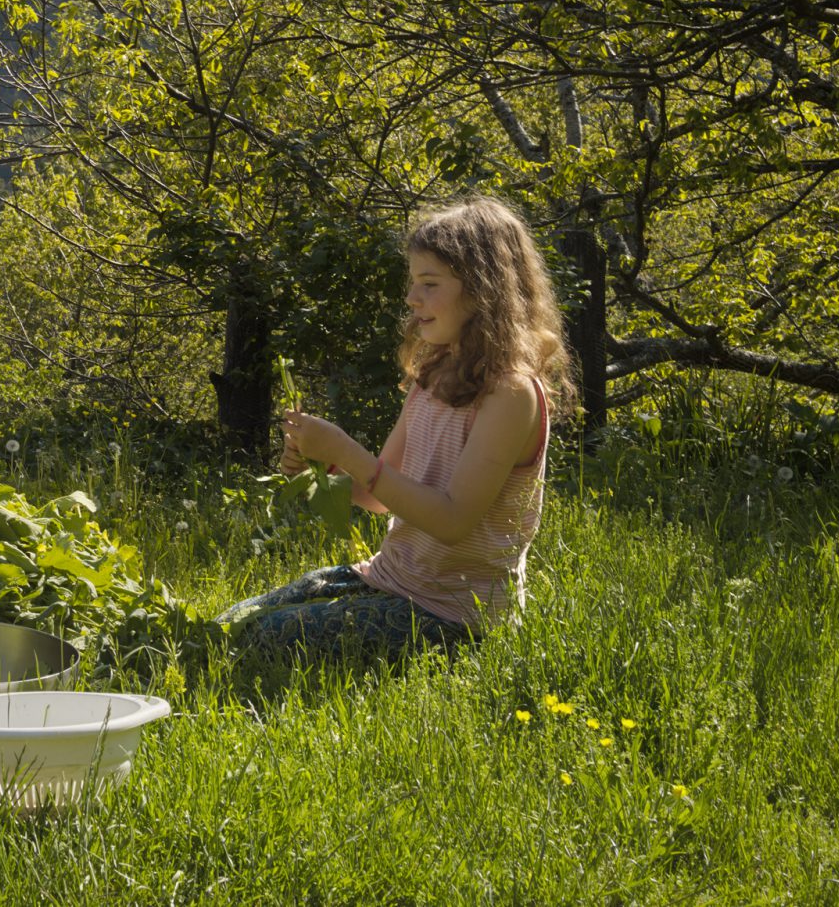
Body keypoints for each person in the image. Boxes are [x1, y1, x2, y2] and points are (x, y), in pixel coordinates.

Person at [216, 195, 574, 658]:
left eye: (429, 283)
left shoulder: (511, 394)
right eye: (413, 283)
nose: (411, 298)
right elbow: (377, 496)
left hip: (456, 614)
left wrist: (345, 449)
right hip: (392, 579)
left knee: (264, 638)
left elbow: (451, 521)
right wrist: (316, 469)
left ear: (484, 290)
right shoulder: (434, 374)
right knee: (232, 623)